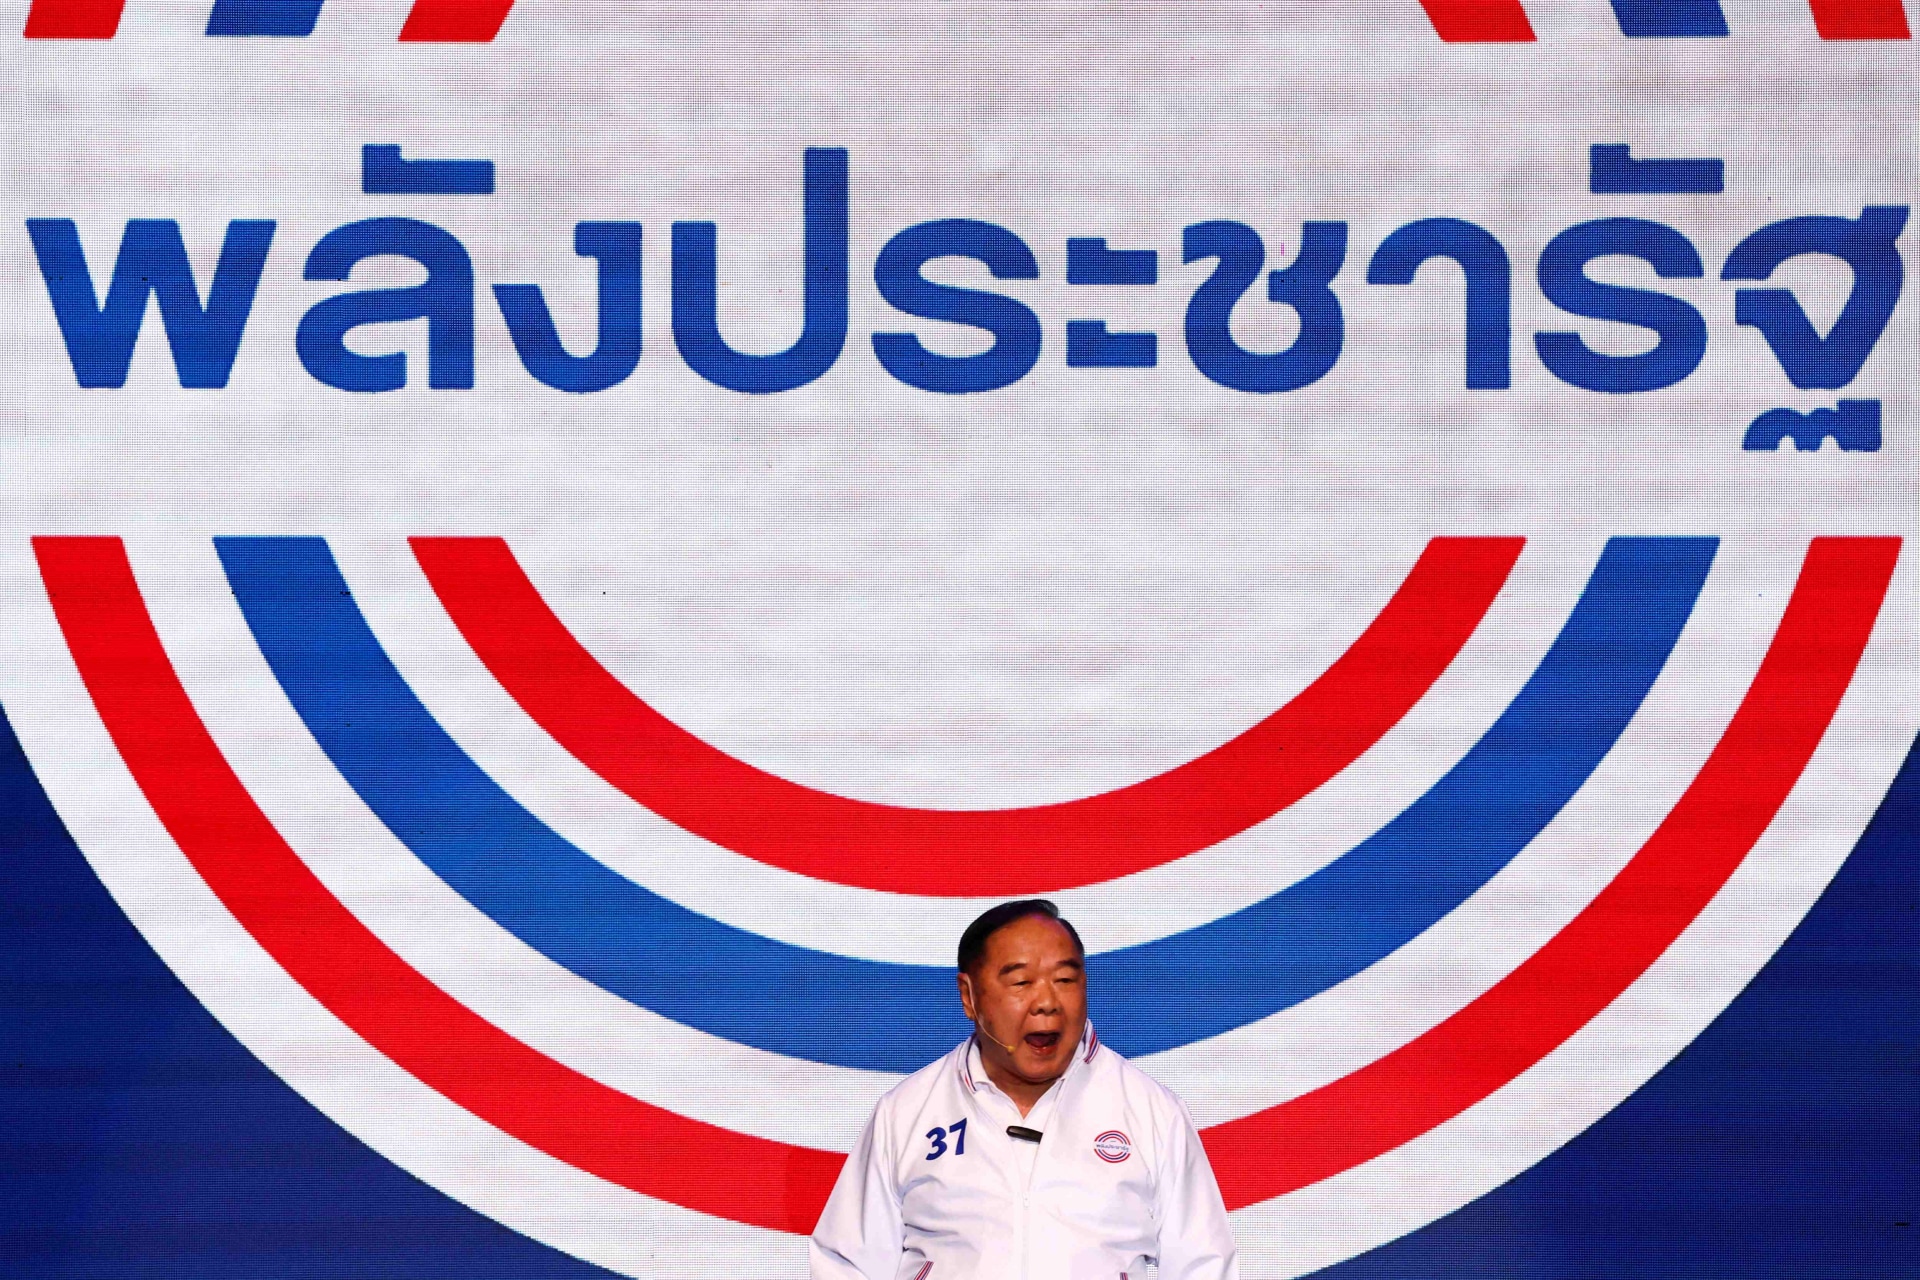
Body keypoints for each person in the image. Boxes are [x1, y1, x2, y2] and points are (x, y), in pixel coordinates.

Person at [809, 899, 1240, 1279]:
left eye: (1065, 980)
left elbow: (1203, 1265)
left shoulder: (1151, 1112)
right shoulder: (906, 1114)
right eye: (1021, 983)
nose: (1047, 1002)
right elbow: (848, 1265)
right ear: (969, 997)